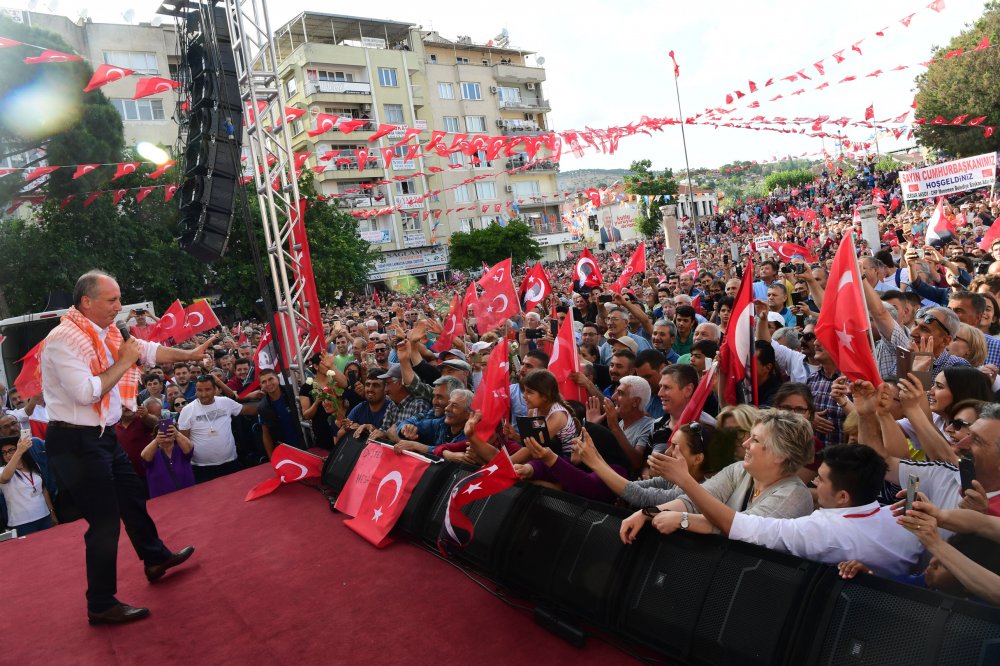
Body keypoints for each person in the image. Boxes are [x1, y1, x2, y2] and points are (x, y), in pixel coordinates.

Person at [41, 270, 211, 625]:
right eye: (112, 300)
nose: (120, 307)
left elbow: (148, 351)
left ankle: (155, 558)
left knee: (132, 496)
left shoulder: (107, 332)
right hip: (73, 442)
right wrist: (123, 361)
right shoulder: (62, 339)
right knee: (104, 522)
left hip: (102, 436)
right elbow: (87, 391)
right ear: (86, 302)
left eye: (119, 299)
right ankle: (100, 604)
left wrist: (190, 354)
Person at [656, 440, 923, 577]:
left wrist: (686, 482)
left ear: (843, 496)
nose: (815, 480)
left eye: (822, 478)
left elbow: (736, 525)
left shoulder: (822, 531)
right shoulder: (905, 516)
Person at [620, 411, 814, 539]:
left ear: (780, 455)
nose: (745, 444)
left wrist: (683, 517)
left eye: (754, 440)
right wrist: (647, 513)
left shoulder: (795, 496)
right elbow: (694, 501)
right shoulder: (740, 469)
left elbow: (740, 529)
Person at [178, 374, 257, 483]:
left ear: (215, 389)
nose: (203, 394)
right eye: (199, 390)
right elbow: (183, 441)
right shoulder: (187, 410)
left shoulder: (225, 402)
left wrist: (269, 401)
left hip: (230, 463)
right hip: (202, 468)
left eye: (207, 389)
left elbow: (248, 410)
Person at [0, 434, 57, 535]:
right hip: (22, 523)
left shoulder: (33, 466)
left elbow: (43, 490)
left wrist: (51, 512)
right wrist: (18, 451)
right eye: (4, 453)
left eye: (11, 450)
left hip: (44, 516)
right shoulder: (2, 471)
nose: (8, 455)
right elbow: (5, 478)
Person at [140, 421, 195, 499]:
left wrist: (177, 434)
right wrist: (156, 441)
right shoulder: (152, 452)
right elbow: (144, 457)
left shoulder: (181, 448)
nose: (166, 433)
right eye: (162, 432)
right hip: (162, 501)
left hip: (187, 496)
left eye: (170, 431)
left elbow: (190, 449)